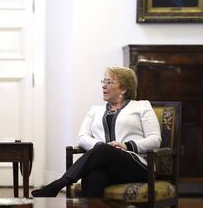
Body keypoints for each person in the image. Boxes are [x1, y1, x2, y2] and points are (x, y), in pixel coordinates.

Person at [32, 66, 161, 197]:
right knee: (92, 176)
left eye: (109, 82)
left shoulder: (142, 106)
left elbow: (155, 139)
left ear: (124, 88)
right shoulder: (95, 110)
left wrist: (126, 145)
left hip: (136, 166)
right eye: (103, 82)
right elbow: (82, 137)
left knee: (103, 150)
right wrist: (102, 147)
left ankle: (60, 183)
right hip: (109, 168)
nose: (104, 86)